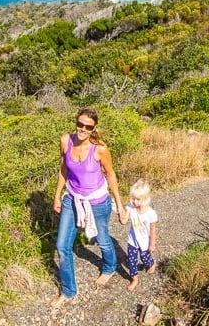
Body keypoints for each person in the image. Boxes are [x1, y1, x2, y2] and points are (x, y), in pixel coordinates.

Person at [51, 107, 128, 307]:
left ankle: (110, 267)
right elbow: (63, 169)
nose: (83, 129)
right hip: (73, 199)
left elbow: (110, 174)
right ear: (76, 122)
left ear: (94, 128)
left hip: (97, 201)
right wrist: (57, 196)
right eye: (80, 124)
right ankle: (68, 291)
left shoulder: (100, 149)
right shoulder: (65, 141)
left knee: (101, 239)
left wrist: (120, 206)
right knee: (62, 246)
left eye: (88, 126)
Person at [125, 179, 158, 291]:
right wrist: (120, 213)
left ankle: (152, 263)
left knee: (145, 258)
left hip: (144, 241)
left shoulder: (150, 213)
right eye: (133, 198)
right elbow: (124, 220)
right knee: (131, 260)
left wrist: (152, 244)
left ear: (144, 199)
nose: (134, 201)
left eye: (138, 199)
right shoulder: (130, 208)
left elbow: (153, 230)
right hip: (132, 240)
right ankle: (135, 279)